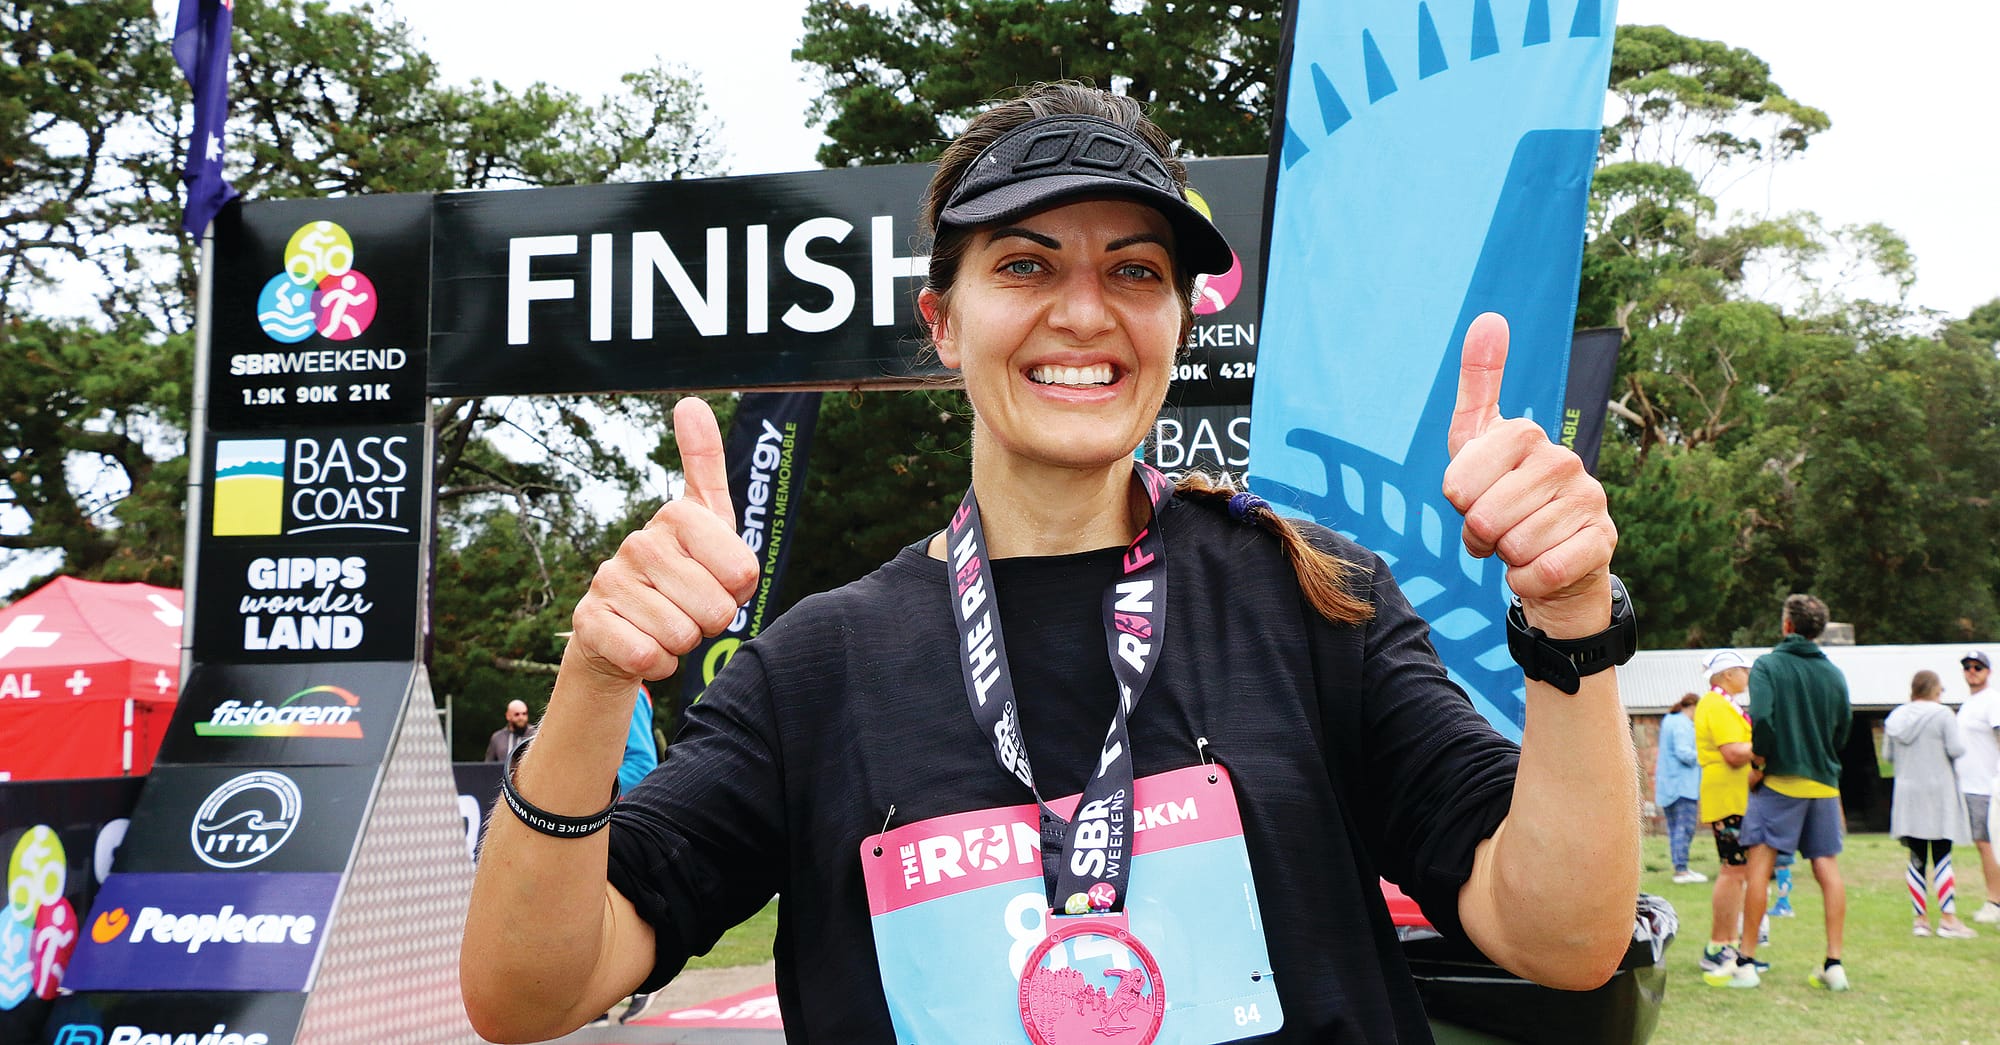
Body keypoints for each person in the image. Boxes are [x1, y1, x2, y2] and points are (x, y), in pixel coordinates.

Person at [459, 84, 1640, 1042]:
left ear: (1180, 320)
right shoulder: (816, 666)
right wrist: (596, 680)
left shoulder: (1309, 594)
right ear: (940, 321)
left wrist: (1571, 617)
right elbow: (527, 994)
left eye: (1133, 271)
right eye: (1024, 266)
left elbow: (1559, 937)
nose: (1083, 312)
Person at [1735, 594, 1853, 991]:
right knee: (1827, 870)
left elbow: (1763, 720)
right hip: (1823, 782)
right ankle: (1834, 964)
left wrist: (1759, 764)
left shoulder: (1768, 665)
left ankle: (1746, 963)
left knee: (1759, 870)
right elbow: (1843, 728)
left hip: (1780, 782)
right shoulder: (1835, 674)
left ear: (1787, 624)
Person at [1885, 670, 1975, 937]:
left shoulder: (1895, 717)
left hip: (1907, 792)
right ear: (1935, 691)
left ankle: (1920, 920)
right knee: (1942, 856)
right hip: (1938, 792)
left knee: (1916, 858)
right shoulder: (1943, 715)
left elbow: (1888, 754)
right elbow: (1957, 749)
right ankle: (1948, 918)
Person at [1694, 650, 1756, 986]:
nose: (1748, 676)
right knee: (1733, 870)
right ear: (1728, 673)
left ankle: (1729, 941)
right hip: (1728, 795)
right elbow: (1733, 753)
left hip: (1736, 796)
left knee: (1738, 870)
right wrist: (1765, 744)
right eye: (1744, 670)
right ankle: (1718, 944)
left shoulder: (1725, 703)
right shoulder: (1716, 705)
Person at [1955, 648, 2000, 924]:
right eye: (1968, 667)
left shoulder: (1992, 700)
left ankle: (1995, 902)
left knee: (1988, 845)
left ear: (1988, 671)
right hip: (1971, 785)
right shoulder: (1968, 703)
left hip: (1987, 785)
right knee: (1982, 844)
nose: (1972, 671)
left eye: (1978, 667)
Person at [1655, 692, 1704, 883]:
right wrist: (1707, 756)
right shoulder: (1682, 724)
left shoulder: (1669, 720)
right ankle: (1681, 870)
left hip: (1668, 785)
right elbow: (1684, 753)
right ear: (1693, 707)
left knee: (1675, 828)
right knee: (1685, 828)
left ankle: (1680, 867)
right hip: (1683, 786)